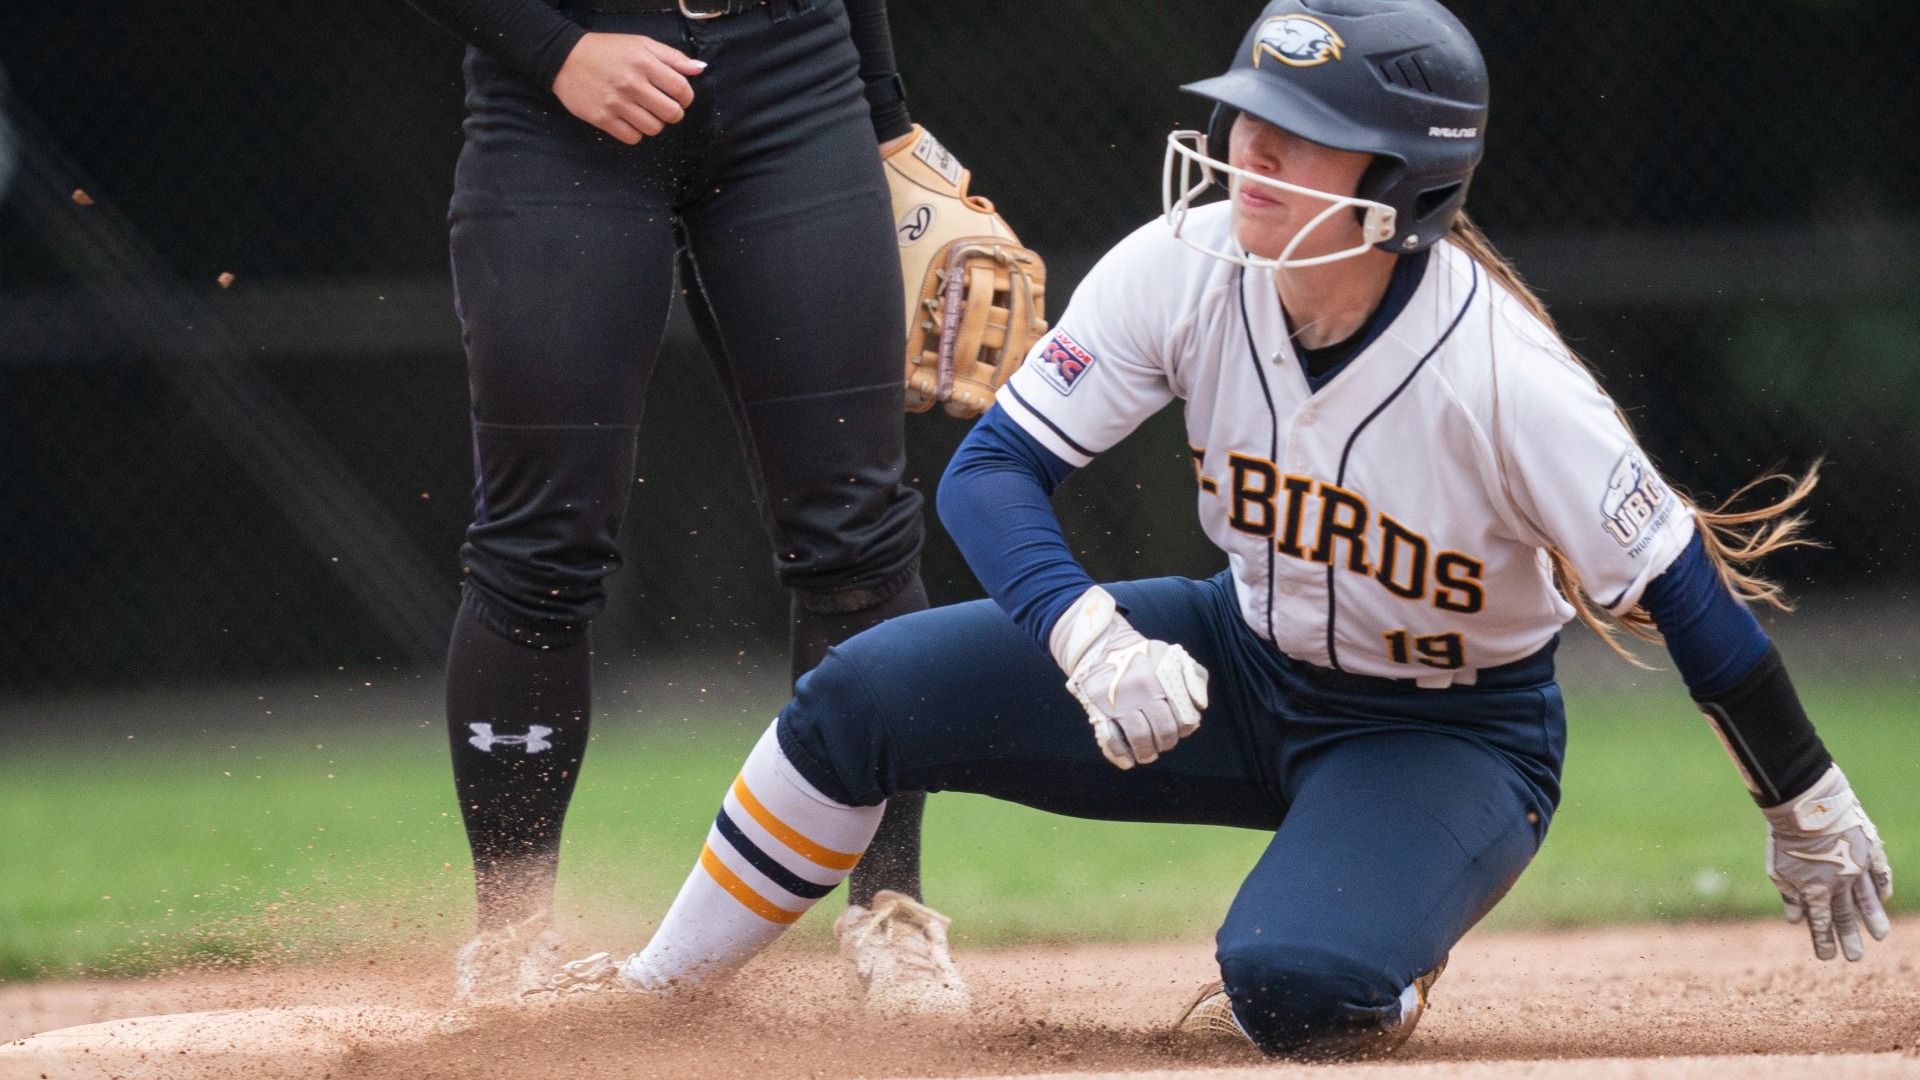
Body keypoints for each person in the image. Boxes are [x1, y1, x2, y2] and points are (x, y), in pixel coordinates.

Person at [533, 0, 1894, 1059]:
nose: (1250, 150)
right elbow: (989, 474)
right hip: (1237, 667)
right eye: (1247, 116)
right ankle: (652, 995)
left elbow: (1684, 592)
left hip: (1447, 733)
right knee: (858, 697)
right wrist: (1091, 639)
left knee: (1294, 987)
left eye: (1295, 130)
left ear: (1403, 172)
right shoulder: (1185, 266)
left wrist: (1805, 801)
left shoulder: (1503, 375)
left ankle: (1379, 912)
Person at [400, 0, 983, 1009]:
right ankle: (512, 940)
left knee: (857, 526)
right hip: (559, 94)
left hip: (798, 72)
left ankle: (893, 913)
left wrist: (888, 122)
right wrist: (557, 49)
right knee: (542, 543)